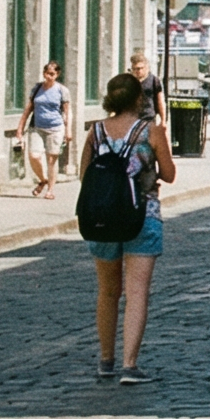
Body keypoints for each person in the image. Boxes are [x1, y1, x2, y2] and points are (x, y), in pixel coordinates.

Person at [86, 73, 174, 384]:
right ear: (140, 98)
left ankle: (105, 360)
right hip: (143, 216)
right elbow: (169, 173)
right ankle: (129, 364)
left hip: (102, 220)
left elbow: (85, 175)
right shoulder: (151, 131)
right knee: (137, 293)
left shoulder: (96, 131)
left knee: (108, 291)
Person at [24, 61, 72, 198]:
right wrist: (20, 127)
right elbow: (28, 109)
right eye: (47, 73)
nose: (49, 76)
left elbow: (67, 112)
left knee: (51, 159)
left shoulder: (62, 90)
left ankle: (50, 190)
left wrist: (68, 130)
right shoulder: (37, 88)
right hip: (37, 127)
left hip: (55, 128)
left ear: (57, 74)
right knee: (34, 156)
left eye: (52, 74)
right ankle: (43, 179)